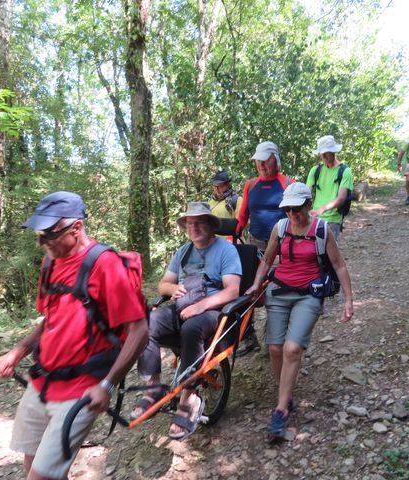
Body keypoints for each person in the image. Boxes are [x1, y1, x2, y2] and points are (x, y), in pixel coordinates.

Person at [0, 191, 149, 480]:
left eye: (49, 233)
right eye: (40, 232)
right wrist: (18, 352)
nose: (41, 241)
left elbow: (139, 331)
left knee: (41, 477)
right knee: (32, 465)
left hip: (82, 388)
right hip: (42, 381)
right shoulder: (50, 263)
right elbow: (49, 319)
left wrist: (108, 385)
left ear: (76, 228)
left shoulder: (105, 265)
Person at [245, 183, 353, 439]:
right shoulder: (280, 228)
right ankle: (287, 392)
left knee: (292, 348)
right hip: (279, 291)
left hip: (309, 294)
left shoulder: (321, 230)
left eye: (297, 209)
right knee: (274, 348)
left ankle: (281, 409)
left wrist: (349, 300)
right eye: (288, 209)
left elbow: (338, 265)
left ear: (308, 205)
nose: (292, 214)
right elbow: (268, 259)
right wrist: (256, 283)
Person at [132, 202, 241, 440]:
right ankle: (153, 388)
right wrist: (172, 288)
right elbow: (163, 284)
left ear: (211, 225)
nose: (194, 227)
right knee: (144, 323)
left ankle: (188, 398)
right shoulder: (182, 252)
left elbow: (232, 290)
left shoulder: (226, 250)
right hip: (182, 306)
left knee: (192, 329)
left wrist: (201, 306)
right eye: (190, 223)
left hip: (212, 309)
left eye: (200, 222)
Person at [235, 141, 294, 356]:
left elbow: (295, 214)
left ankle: (274, 338)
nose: (260, 163)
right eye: (257, 160)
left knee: (275, 291)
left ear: (275, 160)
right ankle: (248, 337)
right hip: (254, 243)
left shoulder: (287, 183)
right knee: (248, 289)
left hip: (281, 245)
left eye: (265, 159)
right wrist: (236, 232)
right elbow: (243, 214)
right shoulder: (250, 185)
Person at [306, 135, 354, 240]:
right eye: (322, 154)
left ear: (333, 152)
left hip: (333, 219)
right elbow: (306, 192)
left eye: (326, 153)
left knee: (328, 253)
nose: (324, 157)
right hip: (315, 217)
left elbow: (341, 198)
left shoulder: (345, 171)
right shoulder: (315, 170)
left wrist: (322, 209)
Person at [208, 169, 242, 240]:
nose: (217, 189)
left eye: (220, 186)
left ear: (227, 185)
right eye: (215, 186)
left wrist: (231, 239)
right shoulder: (211, 201)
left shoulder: (237, 200)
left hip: (230, 243)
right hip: (212, 242)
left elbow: (241, 223)